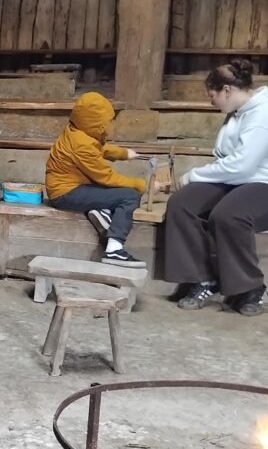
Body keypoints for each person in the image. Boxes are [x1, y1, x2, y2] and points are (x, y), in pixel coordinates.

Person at [165, 59, 268, 316]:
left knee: (228, 215)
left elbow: (243, 166)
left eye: (213, 96)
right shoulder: (235, 112)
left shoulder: (261, 114)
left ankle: (250, 286)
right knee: (181, 204)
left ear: (227, 90)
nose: (211, 102)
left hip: (262, 182)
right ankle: (201, 279)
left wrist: (195, 174)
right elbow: (227, 161)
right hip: (236, 180)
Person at [45, 92, 148, 268]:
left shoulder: (77, 130)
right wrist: (142, 185)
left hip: (71, 187)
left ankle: (103, 212)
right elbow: (107, 177)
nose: (109, 125)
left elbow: (99, 148)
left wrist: (124, 154)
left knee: (112, 191)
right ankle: (114, 249)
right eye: (106, 121)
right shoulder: (82, 145)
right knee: (129, 196)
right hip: (66, 193)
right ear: (94, 122)